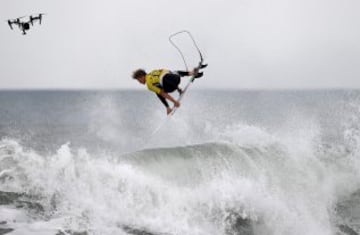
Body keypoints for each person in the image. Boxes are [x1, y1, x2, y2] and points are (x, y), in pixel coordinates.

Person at [132, 68, 203, 115]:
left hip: (170, 85)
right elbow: (169, 74)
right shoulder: (154, 72)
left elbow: (163, 93)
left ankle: (168, 108)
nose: (139, 82)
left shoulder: (149, 84)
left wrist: (175, 102)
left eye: (139, 80)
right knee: (174, 73)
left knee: (158, 91)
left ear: (142, 76)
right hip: (177, 79)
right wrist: (178, 89)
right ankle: (192, 73)